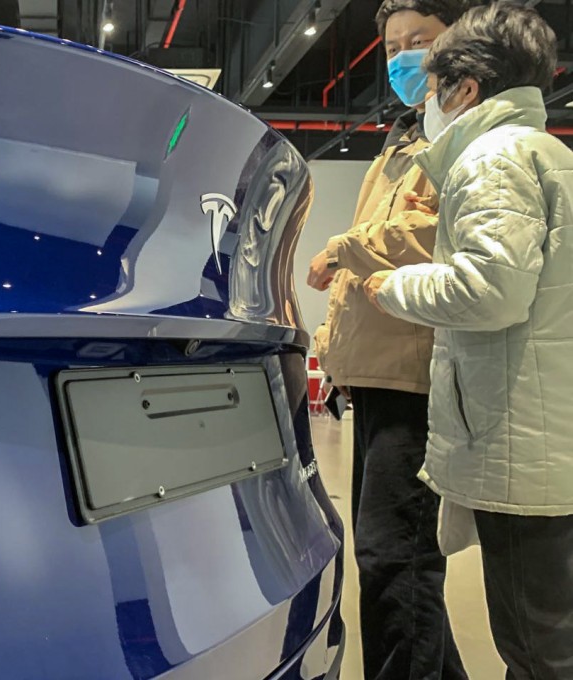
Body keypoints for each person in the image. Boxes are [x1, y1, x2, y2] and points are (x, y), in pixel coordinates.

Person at [365, 3, 573, 677]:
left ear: (466, 88)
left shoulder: (493, 158)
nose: (426, 99)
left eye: (431, 84)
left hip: (520, 440)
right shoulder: (547, 153)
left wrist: (390, 289)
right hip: (546, 434)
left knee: (534, 647)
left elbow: (491, 290)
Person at [306, 2, 475, 678]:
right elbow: (366, 267)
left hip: (417, 374)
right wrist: (328, 345)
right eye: (394, 45)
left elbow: (437, 236)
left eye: (422, 42)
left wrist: (344, 247)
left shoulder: (463, 137)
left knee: (393, 560)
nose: (406, 57)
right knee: (394, 558)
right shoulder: (406, 138)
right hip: (377, 373)